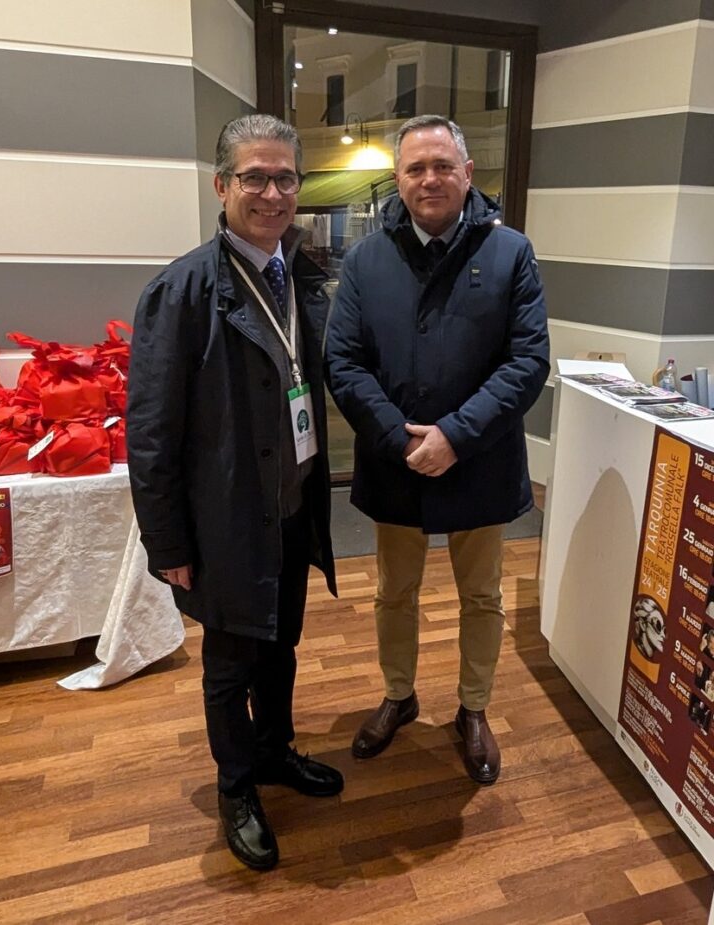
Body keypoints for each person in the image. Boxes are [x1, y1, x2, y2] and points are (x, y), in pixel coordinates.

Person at [126, 114, 341, 870]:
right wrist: (168, 542)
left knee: (281, 643)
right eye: (255, 177)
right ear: (222, 186)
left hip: (292, 504)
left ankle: (275, 750)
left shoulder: (302, 275)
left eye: (285, 178)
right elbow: (150, 432)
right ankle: (237, 786)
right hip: (224, 519)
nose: (272, 193)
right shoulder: (181, 291)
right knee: (229, 665)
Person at [326, 114, 549, 785]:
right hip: (395, 461)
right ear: (398, 178)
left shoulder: (510, 253)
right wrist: (402, 439)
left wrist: (455, 435)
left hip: (480, 458)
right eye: (416, 168)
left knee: (482, 595)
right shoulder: (365, 260)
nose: (430, 179)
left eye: (443, 166)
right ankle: (399, 694)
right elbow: (343, 361)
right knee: (394, 592)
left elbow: (527, 361)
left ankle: (473, 709)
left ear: (467, 173)